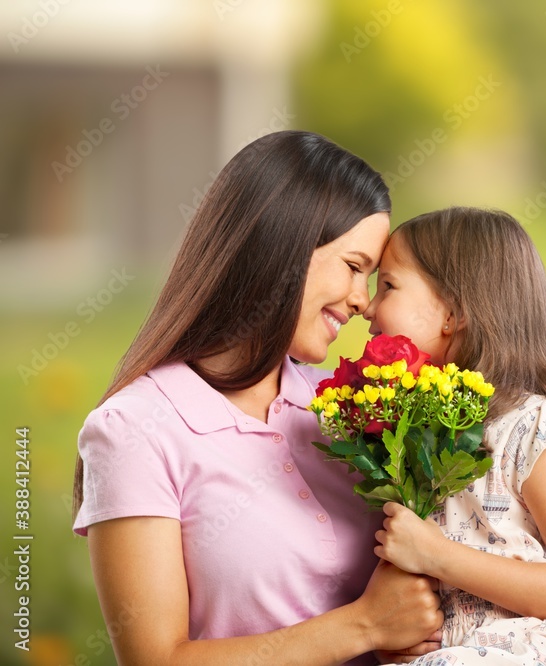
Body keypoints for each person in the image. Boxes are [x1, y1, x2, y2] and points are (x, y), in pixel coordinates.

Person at [71, 130, 443, 665]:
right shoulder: (135, 429)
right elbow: (155, 659)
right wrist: (361, 627)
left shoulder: (341, 404)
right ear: (284, 246)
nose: (364, 303)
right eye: (355, 267)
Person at [361, 207, 546, 665]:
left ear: (453, 313)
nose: (367, 307)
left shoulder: (535, 427)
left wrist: (439, 557)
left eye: (388, 286)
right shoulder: (408, 434)